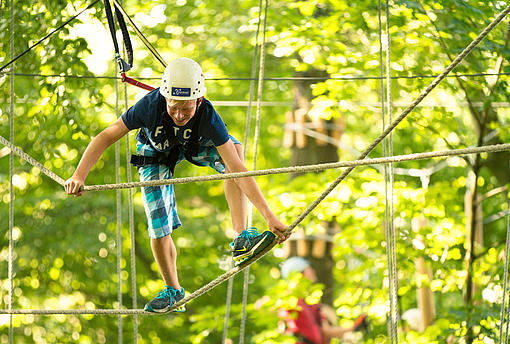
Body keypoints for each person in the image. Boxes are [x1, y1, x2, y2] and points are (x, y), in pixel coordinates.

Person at [64, 57, 289, 313]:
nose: (180, 115)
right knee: (158, 222)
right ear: (164, 98)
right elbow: (107, 135)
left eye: (186, 109)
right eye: (173, 108)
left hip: (194, 145)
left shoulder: (207, 115)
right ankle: (173, 289)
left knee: (234, 152)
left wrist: (269, 217)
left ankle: (241, 238)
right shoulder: (149, 106)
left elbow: (238, 170)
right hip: (155, 154)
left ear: (199, 101)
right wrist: (79, 175)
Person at [279, 257, 367, 344]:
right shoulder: (288, 301)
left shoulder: (311, 301)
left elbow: (325, 332)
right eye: (309, 269)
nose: (313, 271)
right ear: (300, 274)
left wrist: (354, 328)